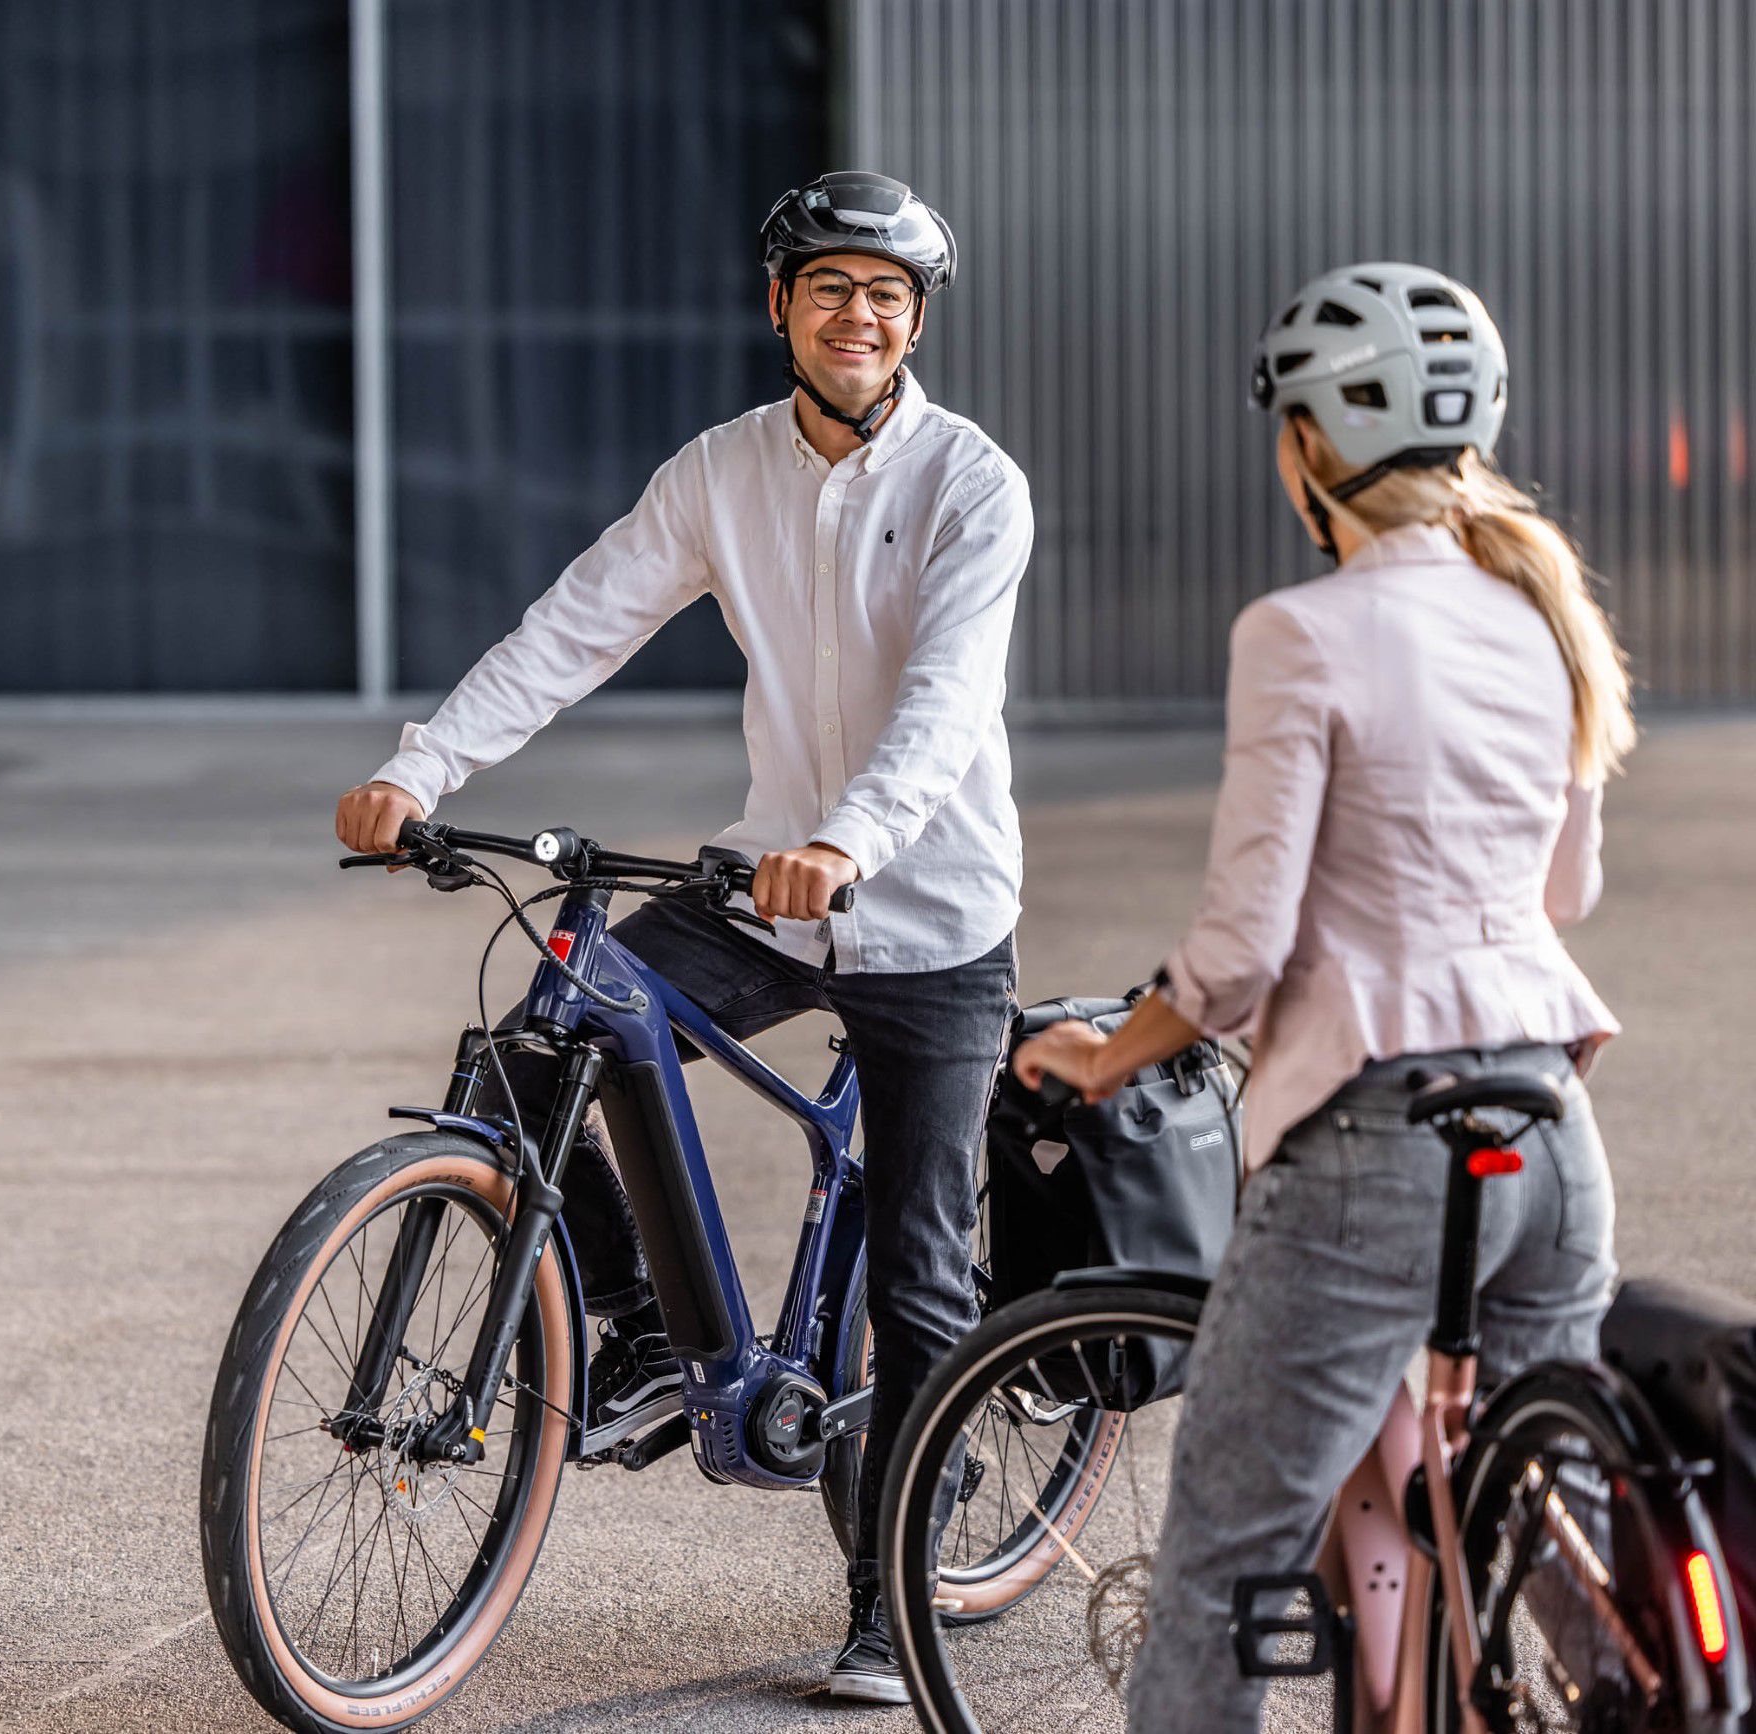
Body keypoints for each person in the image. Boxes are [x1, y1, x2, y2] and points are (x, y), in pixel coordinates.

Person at [334, 170, 1031, 1704]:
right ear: (778, 304)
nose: (860, 316)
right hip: (766, 892)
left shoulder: (973, 483)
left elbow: (946, 699)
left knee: (920, 1274)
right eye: (831, 286)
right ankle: (647, 1332)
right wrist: (422, 768)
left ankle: (891, 1599)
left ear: (918, 322)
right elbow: (575, 626)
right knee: (537, 1042)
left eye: (889, 294)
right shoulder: (720, 472)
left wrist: (852, 838)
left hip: (927, 910)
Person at [1011, 262, 1633, 1733]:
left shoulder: (1301, 630)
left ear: (1308, 445)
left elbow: (1238, 951)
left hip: (1375, 1144)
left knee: (1224, 1561)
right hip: (1549, 1126)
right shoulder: (1541, 614)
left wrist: (1106, 1058)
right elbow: (1569, 890)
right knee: (1561, 1548)